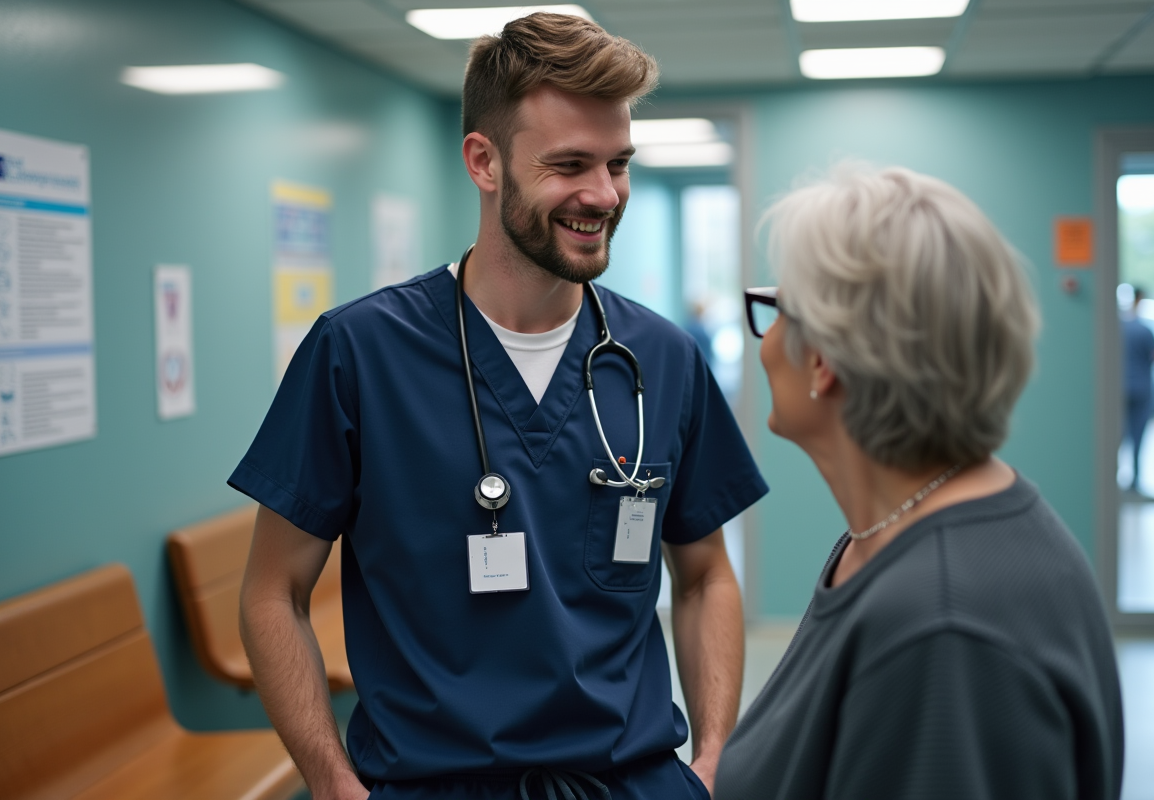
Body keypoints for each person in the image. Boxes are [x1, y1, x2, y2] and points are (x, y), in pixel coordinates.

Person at [232, 13, 767, 800]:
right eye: (570, 164)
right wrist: (330, 779)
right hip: (434, 783)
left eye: (618, 163)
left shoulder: (661, 359)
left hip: (630, 781)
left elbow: (704, 576)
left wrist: (716, 753)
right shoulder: (360, 352)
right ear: (483, 161)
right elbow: (272, 591)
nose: (603, 194)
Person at [716, 166, 1123, 800]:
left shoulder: (942, 627)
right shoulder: (906, 530)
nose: (766, 342)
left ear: (823, 361)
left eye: (776, 311)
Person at [1122, 287, 1154, 490]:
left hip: (1121, 389)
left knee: (1117, 435)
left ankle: (1112, 477)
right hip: (1141, 389)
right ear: (1140, 299)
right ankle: (1135, 479)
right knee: (1138, 435)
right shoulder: (1144, 330)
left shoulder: (1117, 327)